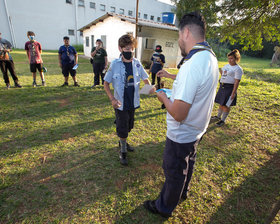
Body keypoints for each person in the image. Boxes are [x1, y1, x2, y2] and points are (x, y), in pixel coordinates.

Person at [143, 12, 219, 218]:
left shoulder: (192, 63)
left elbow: (178, 113)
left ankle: (164, 207)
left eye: (178, 36)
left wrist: (162, 97)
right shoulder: (210, 57)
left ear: (185, 32)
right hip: (197, 128)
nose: (178, 41)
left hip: (182, 131)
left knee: (174, 170)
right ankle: (182, 193)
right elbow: (195, 85)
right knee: (188, 162)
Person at [104, 34, 155, 166]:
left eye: (132, 48)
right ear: (120, 49)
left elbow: (145, 78)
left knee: (129, 126)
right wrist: (112, 99)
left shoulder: (137, 63)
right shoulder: (115, 64)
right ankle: (123, 150)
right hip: (120, 103)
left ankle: (123, 141)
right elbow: (106, 83)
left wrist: (149, 87)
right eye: (127, 49)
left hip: (133, 102)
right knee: (122, 128)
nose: (130, 51)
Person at [212, 49, 243, 126]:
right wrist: (223, 78)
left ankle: (222, 120)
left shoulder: (238, 69)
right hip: (222, 86)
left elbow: (237, 81)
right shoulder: (226, 65)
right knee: (221, 103)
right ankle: (218, 116)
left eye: (231, 58)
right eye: (228, 58)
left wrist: (233, 93)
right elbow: (221, 70)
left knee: (226, 105)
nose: (229, 60)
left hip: (230, 88)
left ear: (236, 59)